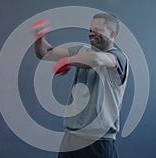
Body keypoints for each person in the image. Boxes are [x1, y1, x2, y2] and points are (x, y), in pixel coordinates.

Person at [32, 13, 128, 158]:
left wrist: (66, 61)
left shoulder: (118, 57)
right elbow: (45, 53)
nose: (91, 33)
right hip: (71, 137)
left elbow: (95, 59)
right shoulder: (81, 51)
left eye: (97, 29)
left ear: (112, 34)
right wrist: (40, 37)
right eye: (90, 29)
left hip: (99, 141)